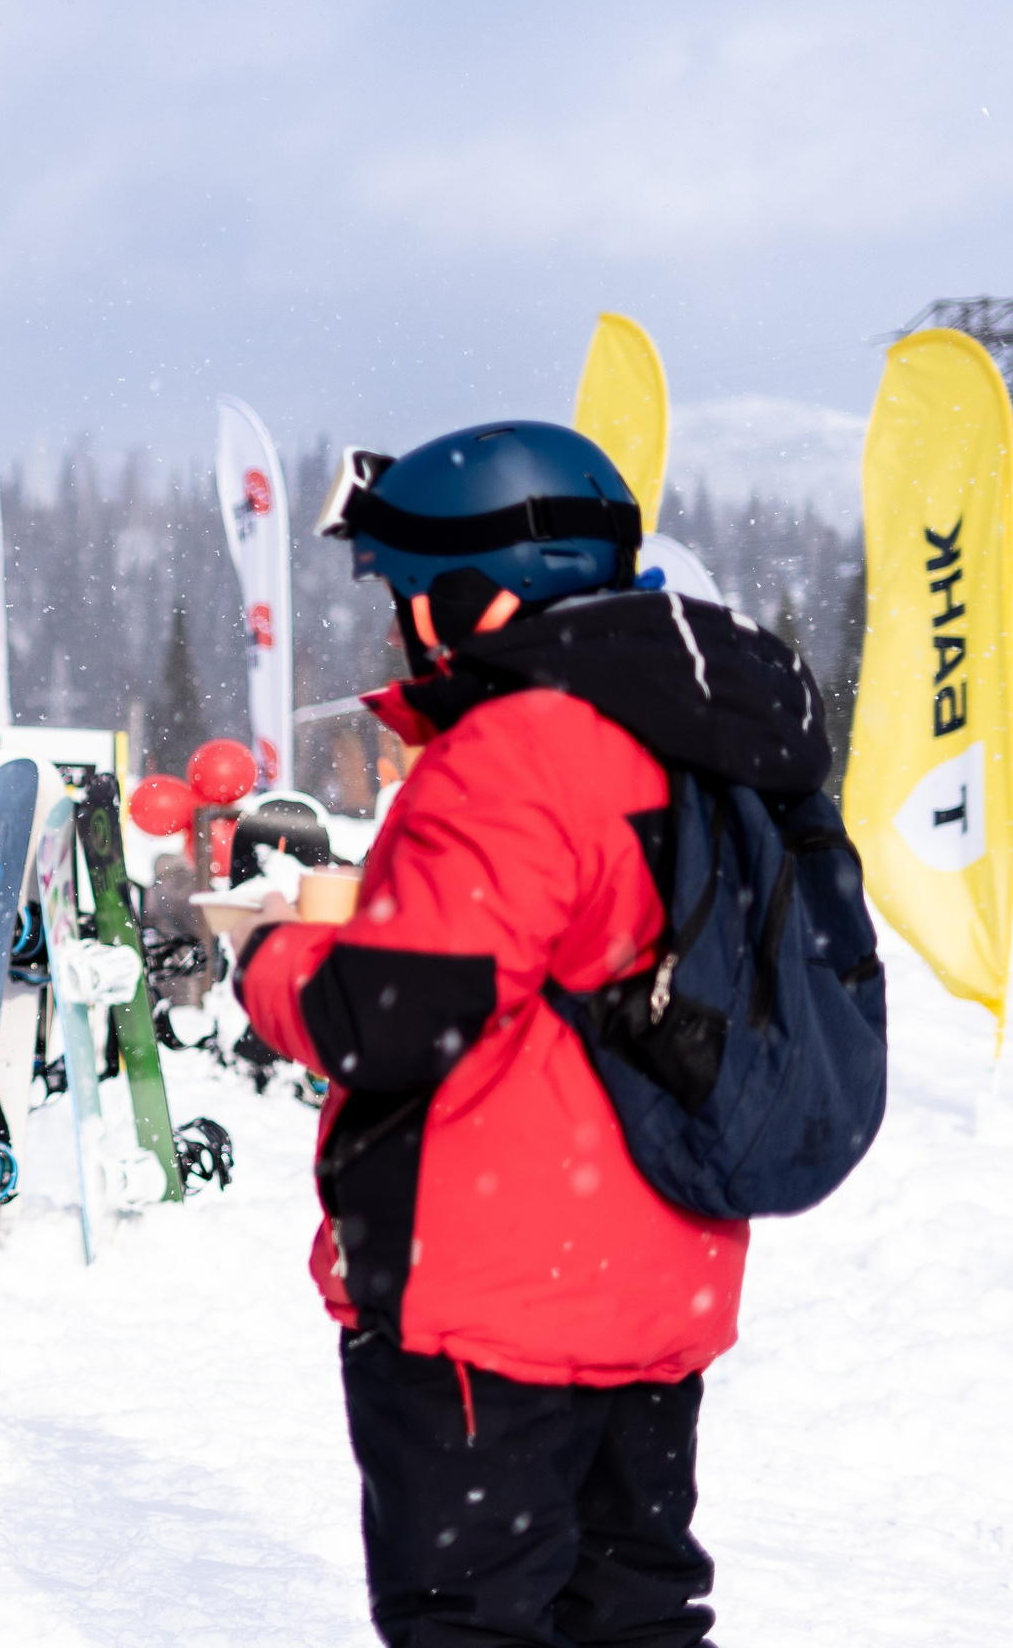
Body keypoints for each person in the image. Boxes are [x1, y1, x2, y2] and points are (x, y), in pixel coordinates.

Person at [230, 421, 815, 1646]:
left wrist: (273, 952)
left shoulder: (521, 749)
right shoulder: (690, 722)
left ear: (473, 600)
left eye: (408, 593)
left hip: (490, 1294)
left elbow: (396, 1013)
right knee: (634, 1609)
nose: (403, 625)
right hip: (656, 1264)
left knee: (473, 1621)